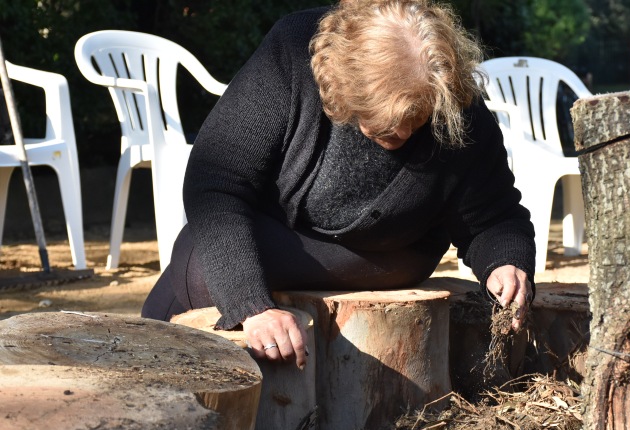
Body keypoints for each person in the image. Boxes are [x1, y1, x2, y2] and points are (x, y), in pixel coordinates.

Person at [141, 0, 536, 370]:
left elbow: (494, 214)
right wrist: (251, 307)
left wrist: (505, 262)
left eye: (417, 119)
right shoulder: (293, 50)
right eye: (383, 120)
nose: (401, 130)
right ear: (342, 83)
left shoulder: (452, 94)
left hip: (390, 258)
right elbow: (216, 183)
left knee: (194, 264)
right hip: (281, 235)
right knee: (195, 262)